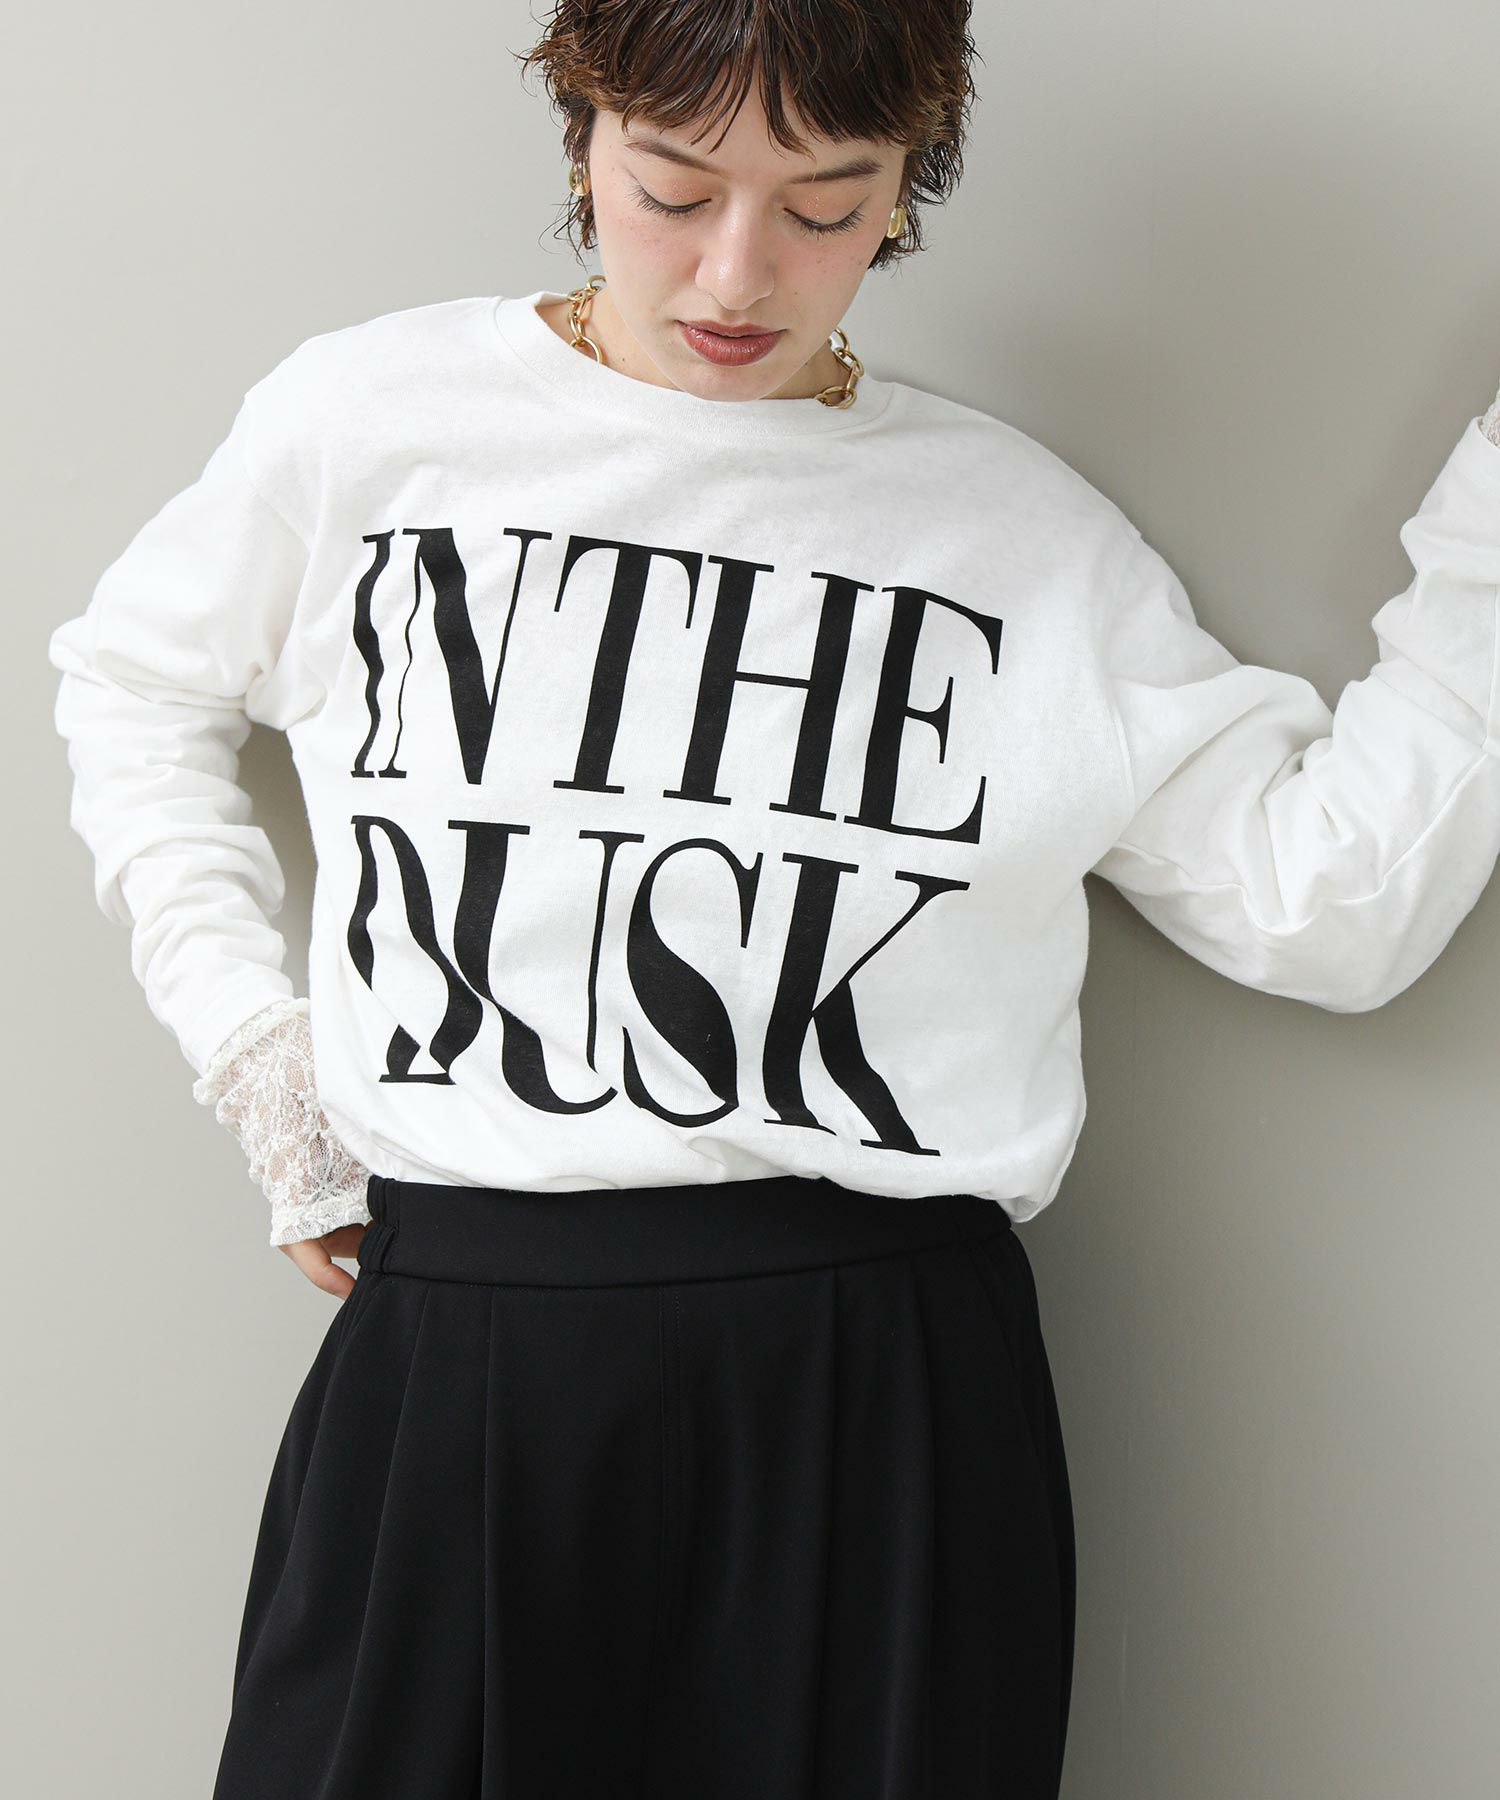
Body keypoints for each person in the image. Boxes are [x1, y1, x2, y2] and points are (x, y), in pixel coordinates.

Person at [44, 2, 1500, 1796]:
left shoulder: (1017, 538)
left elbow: (1333, 902)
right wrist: (255, 1049)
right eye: (673, 189)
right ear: (583, 133)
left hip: (877, 1399)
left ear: (909, 182)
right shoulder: (372, 427)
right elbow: (131, 683)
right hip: (463, 1356)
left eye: (827, 205)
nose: (739, 273)